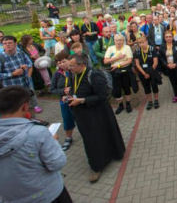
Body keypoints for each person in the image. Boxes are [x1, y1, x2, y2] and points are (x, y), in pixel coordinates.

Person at [0, 86, 72, 203]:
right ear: (25, 106)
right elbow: (57, 163)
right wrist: (53, 141)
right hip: (47, 195)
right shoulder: (37, 133)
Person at [67, 53, 126, 183]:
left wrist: (82, 100)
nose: (69, 68)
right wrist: (70, 94)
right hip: (83, 116)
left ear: (81, 65)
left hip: (99, 114)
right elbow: (76, 89)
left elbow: (102, 96)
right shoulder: (73, 75)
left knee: (100, 136)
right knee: (90, 140)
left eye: (72, 65)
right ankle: (98, 162)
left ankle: (98, 166)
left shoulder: (94, 75)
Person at [0, 35, 41, 113]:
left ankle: (34, 108)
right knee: (16, 108)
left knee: (28, 103)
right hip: (11, 88)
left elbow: (29, 64)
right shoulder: (1, 57)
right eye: (4, 43)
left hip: (24, 84)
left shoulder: (21, 53)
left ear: (15, 44)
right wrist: (12, 74)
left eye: (10, 43)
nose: (7, 45)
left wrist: (25, 68)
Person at [50, 51, 75, 151]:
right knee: (67, 120)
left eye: (63, 61)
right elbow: (52, 89)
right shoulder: (57, 74)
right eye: (59, 63)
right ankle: (69, 138)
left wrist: (71, 91)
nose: (61, 64)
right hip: (64, 102)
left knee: (81, 119)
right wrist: (62, 91)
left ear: (69, 61)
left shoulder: (74, 71)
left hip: (76, 100)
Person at [104, 34, 134, 114]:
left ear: (123, 41)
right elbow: (105, 61)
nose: (119, 42)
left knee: (126, 88)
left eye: (121, 40)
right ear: (114, 41)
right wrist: (117, 58)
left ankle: (128, 104)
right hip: (114, 72)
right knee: (117, 90)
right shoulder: (110, 48)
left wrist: (118, 65)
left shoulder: (127, 48)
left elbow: (129, 60)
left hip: (125, 70)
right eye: (117, 40)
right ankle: (120, 105)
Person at [159, 30, 177, 103]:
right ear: (164, 38)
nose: (168, 38)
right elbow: (161, 57)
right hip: (169, 68)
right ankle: (176, 95)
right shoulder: (162, 46)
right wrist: (167, 64)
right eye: (166, 37)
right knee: (173, 82)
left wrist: (176, 64)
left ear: (172, 37)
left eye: (170, 36)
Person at [134, 36, 160, 110]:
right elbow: (137, 64)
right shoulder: (137, 51)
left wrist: (149, 73)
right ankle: (150, 101)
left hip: (152, 71)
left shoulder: (152, 49)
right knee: (146, 87)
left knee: (154, 86)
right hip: (142, 72)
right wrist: (144, 74)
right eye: (139, 43)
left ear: (146, 42)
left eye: (143, 42)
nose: (141, 44)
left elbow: (155, 62)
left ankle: (156, 100)